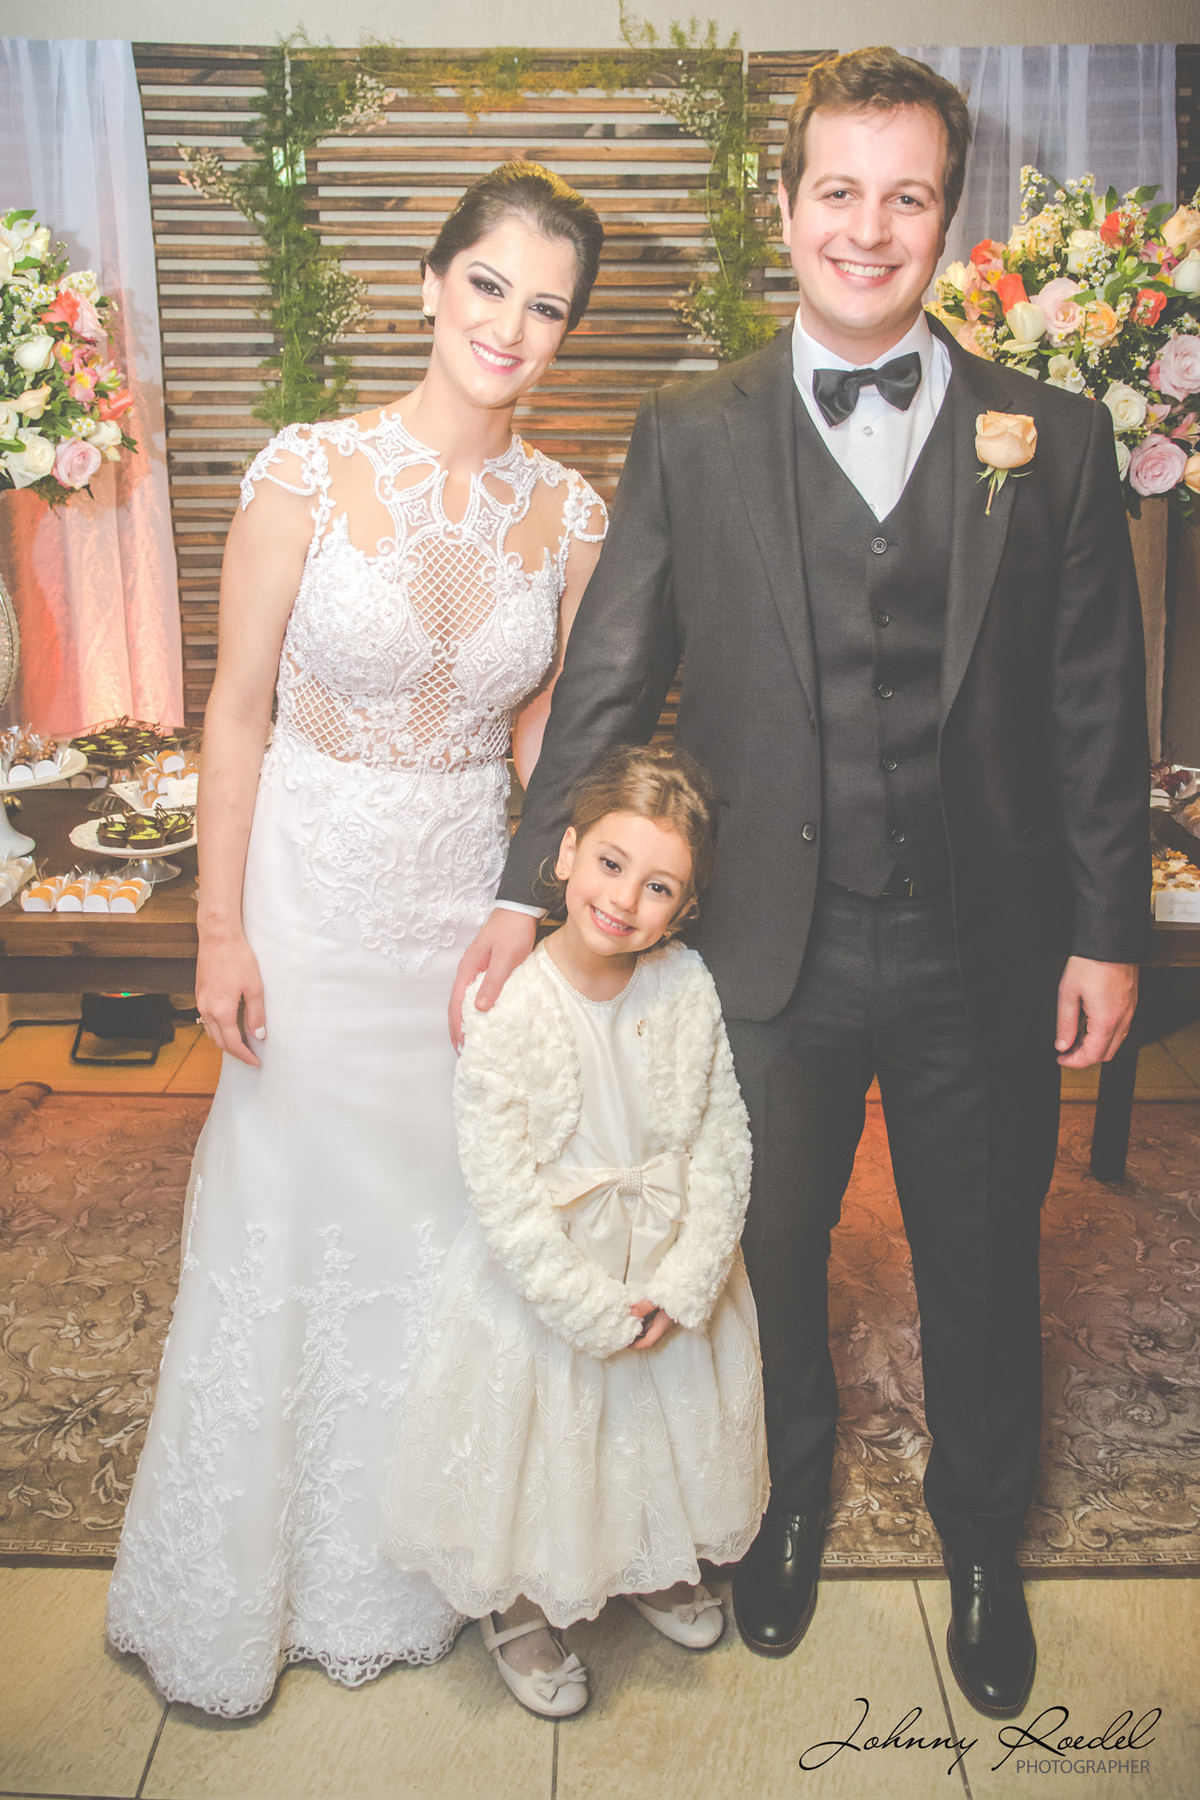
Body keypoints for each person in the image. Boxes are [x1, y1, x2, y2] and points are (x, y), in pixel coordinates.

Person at [450, 50, 1148, 1720]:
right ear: (787, 208)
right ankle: (781, 1508)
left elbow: (1096, 707)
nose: (868, 228)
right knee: (762, 1245)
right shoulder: (692, 434)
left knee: (982, 1251)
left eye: (906, 195)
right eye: (838, 190)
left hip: (988, 942)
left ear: (947, 217)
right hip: (763, 948)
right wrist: (522, 893)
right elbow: (610, 680)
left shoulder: (1053, 439)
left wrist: (1109, 930)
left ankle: (981, 1544)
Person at [105, 162, 608, 1718]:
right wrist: (219, 933)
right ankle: (254, 1582)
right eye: (488, 285)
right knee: (295, 1218)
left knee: (470, 1234)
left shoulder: (574, 514)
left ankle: (473, 1567)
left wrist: (565, 919)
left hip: (466, 912)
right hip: (308, 903)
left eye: (546, 307)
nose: (510, 327)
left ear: (567, 332)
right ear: (431, 283)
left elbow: (549, 746)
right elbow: (235, 714)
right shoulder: (304, 474)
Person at [387, 744, 767, 1716]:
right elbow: (503, 1193)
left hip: (663, 1264)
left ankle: (647, 1559)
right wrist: (585, 1305)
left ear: (683, 908)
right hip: (551, 1284)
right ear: (563, 855)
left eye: (658, 886)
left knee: (648, 1429)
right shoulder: (512, 1005)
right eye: (609, 863)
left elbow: (723, 1138)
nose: (625, 898)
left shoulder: (685, 984)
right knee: (546, 1446)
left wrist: (688, 1277)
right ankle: (516, 1603)